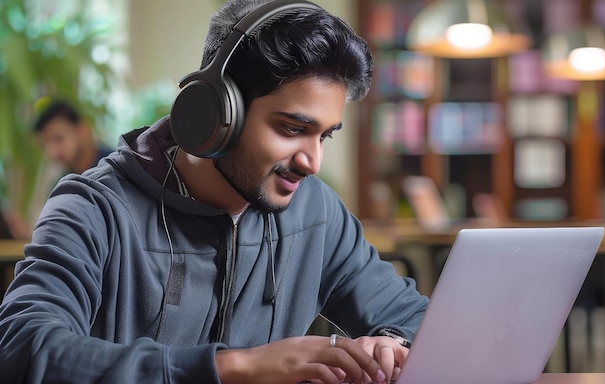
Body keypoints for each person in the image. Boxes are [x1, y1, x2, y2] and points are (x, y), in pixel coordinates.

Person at [0, 1, 429, 383]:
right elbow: (23, 348)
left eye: (324, 136)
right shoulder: (94, 208)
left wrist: (390, 345)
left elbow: (416, 317)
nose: (311, 162)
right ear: (216, 113)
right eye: (292, 129)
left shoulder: (315, 209)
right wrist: (236, 368)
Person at [33, 99, 112, 175]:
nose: (52, 152)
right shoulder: (63, 186)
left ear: (82, 130)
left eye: (58, 138)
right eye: (44, 146)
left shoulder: (119, 168)